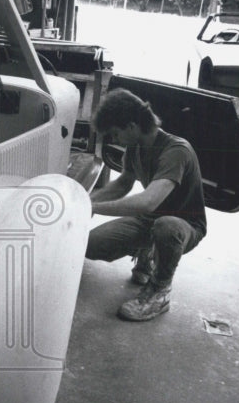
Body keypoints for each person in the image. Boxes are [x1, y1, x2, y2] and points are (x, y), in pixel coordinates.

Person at [86, 88, 206, 321]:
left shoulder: (176, 151)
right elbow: (122, 184)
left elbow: (149, 202)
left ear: (131, 126)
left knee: (166, 226)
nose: (115, 140)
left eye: (115, 134)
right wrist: (85, 200)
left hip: (184, 227)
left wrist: (93, 208)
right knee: (91, 245)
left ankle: (159, 291)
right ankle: (147, 252)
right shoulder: (135, 147)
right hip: (149, 221)